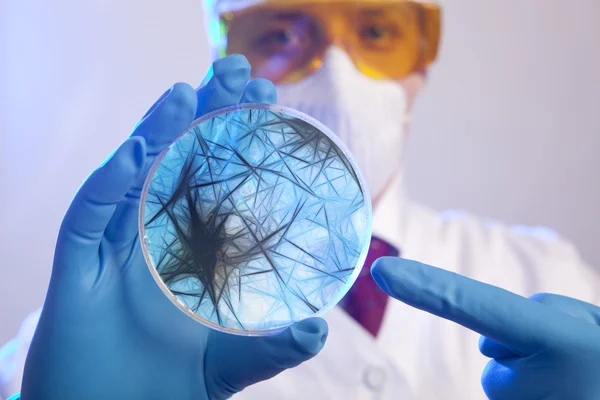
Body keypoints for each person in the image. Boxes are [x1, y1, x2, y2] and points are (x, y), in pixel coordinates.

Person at [1, 0, 599, 399]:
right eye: (281, 33)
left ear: (421, 59)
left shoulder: (545, 274)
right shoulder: (91, 323)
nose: (336, 71)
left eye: (376, 31)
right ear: (226, 49)